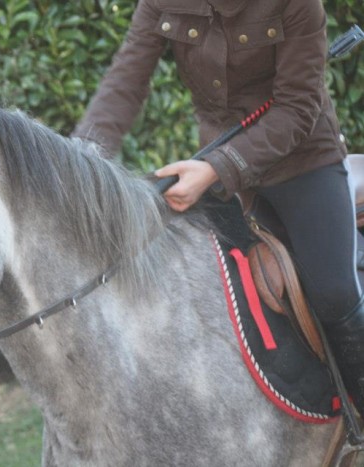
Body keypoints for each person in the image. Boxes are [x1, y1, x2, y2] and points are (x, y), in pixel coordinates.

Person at [73, 0, 364, 415]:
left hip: (303, 163)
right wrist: (80, 165)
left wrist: (214, 169)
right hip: (223, 172)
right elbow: (125, 82)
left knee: (334, 292)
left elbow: (298, 109)